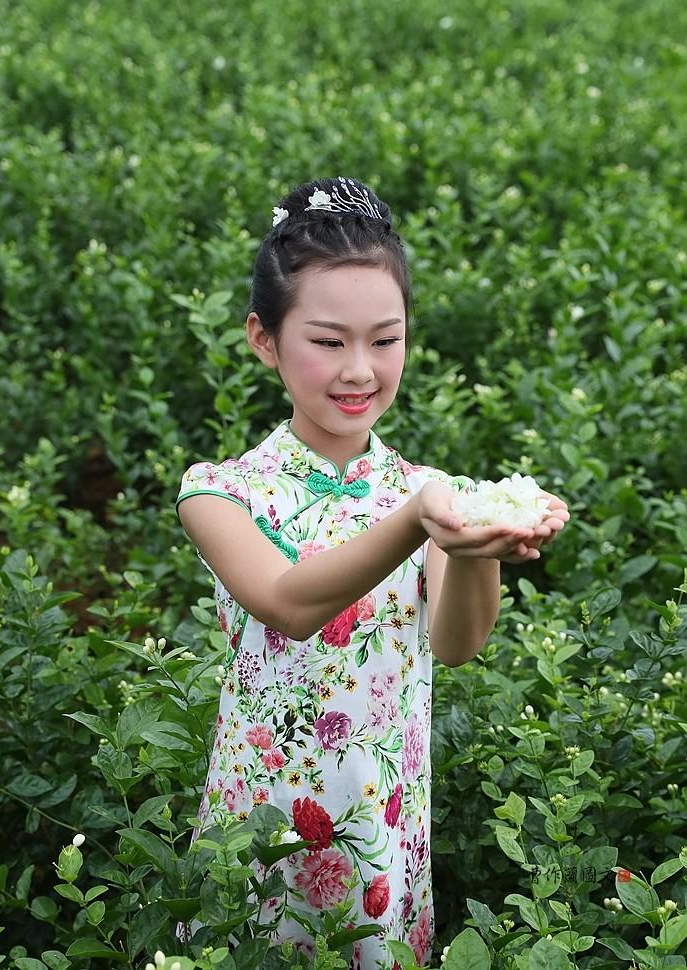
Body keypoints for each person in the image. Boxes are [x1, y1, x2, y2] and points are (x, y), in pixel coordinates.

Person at [175, 176, 569, 969]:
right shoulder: (220, 492)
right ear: (264, 339)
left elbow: (456, 645)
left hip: (383, 829)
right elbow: (288, 604)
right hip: (262, 821)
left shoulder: (423, 493)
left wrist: (471, 543)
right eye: (328, 341)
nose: (360, 369)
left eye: (384, 340)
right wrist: (424, 518)